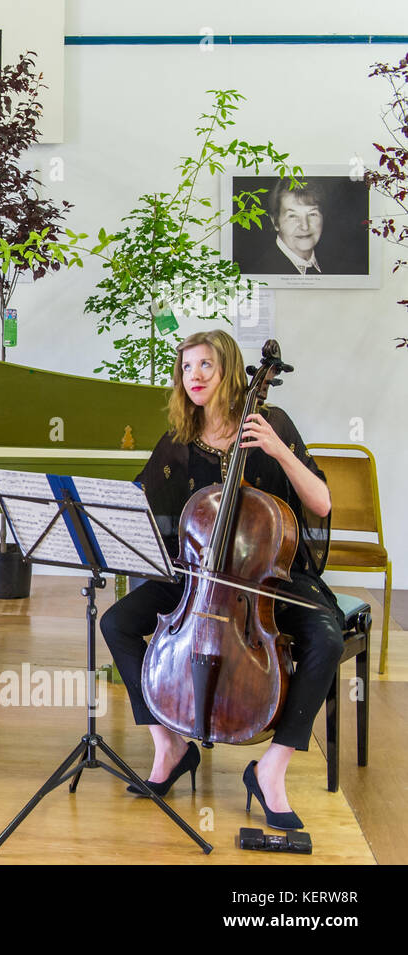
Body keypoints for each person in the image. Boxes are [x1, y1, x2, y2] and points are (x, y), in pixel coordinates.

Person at [100, 329, 342, 830]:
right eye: (186, 368)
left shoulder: (270, 422)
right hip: (199, 575)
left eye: (205, 365)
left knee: (326, 637)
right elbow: (143, 506)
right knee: (118, 622)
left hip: (269, 575)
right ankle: (168, 746)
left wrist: (278, 450)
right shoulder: (180, 440)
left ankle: (271, 769)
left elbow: (321, 503)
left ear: (230, 369)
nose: (194, 377)